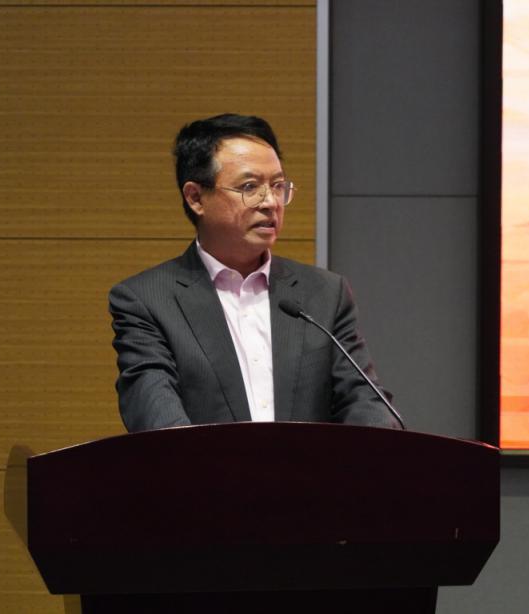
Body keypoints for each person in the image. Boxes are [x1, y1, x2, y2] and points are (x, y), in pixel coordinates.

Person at [108, 113, 399, 432]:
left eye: (278, 186)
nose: (270, 202)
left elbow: (363, 399)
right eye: (250, 187)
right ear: (195, 198)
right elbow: (154, 413)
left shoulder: (324, 294)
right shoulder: (147, 300)